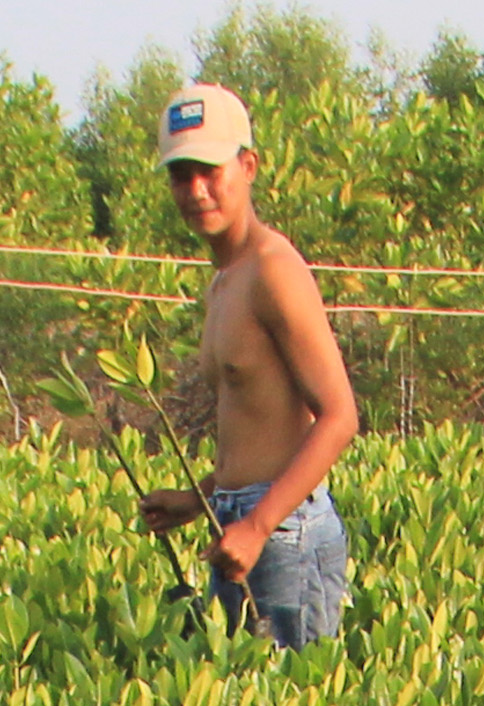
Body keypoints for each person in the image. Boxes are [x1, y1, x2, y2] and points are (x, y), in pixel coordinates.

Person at [130, 83, 359, 649]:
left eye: (211, 170)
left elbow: (338, 417)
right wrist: (201, 500)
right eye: (181, 175)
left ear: (249, 166)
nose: (197, 189)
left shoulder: (274, 270)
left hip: (284, 535)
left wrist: (258, 525)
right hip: (237, 527)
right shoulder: (224, 279)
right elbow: (259, 427)